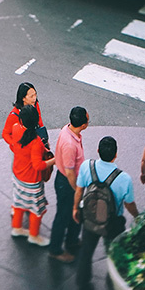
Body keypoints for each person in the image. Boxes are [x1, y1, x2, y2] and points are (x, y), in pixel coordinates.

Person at [74, 136, 138, 290]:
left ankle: (83, 286)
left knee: (86, 252)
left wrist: (76, 208)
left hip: (90, 219)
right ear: (116, 154)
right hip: (112, 224)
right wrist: (137, 215)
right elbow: (129, 204)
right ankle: (112, 281)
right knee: (114, 252)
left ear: (98, 151)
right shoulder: (124, 179)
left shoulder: (86, 167)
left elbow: (79, 191)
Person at [8, 105, 55, 247]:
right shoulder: (36, 142)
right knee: (36, 210)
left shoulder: (16, 128)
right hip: (32, 181)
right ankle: (34, 235)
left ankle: (17, 228)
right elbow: (38, 166)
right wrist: (54, 160)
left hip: (18, 174)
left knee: (19, 203)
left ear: (21, 120)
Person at [48, 106, 89, 263]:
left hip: (67, 180)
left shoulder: (67, 129)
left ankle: (72, 239)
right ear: (84, 125)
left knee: (76, 210)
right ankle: (55, 249)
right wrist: (77, 189)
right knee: (63, 216)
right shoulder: (70, 145)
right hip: (67, 184)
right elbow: (70, 171)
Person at [1, 82, 49, 152]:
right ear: (23, 98)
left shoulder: (35, 104)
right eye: (31, 96)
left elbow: (39, 119)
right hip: (22, 149)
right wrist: (15, 144)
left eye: (35, 95)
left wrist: (43, 136)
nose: (34, 98)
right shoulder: (14, 115)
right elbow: (5, 133)